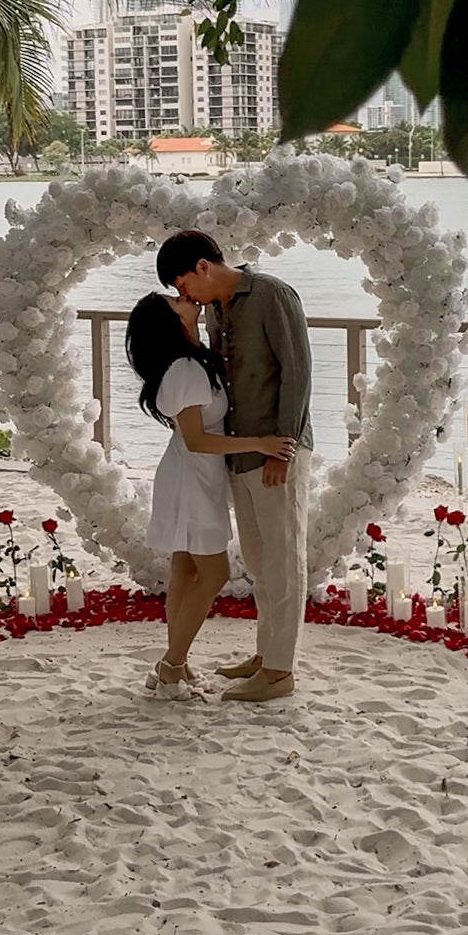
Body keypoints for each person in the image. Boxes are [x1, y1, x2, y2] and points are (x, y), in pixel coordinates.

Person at [156, 230, 313, 703]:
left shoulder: (271, 294)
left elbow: (297, 372)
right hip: (240, 452)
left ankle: (280, 672)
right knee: (262, 563)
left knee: (284, 561)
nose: (187, 298)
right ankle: (267, 656)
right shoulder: (219, 312)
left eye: (185, 287)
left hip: (275, 450)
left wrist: (280, 450)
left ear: (203, 267)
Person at [125, 291, 295, 701]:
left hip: (197, 475)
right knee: (214, 573)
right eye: (175, 301)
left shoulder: (193, 358)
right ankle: (170, 664)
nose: (185, 298)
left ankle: (176, 664)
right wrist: (263, 442)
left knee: (185, 570)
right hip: (192, 478)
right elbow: (198, 440)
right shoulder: (185, 368)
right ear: (169, 322)